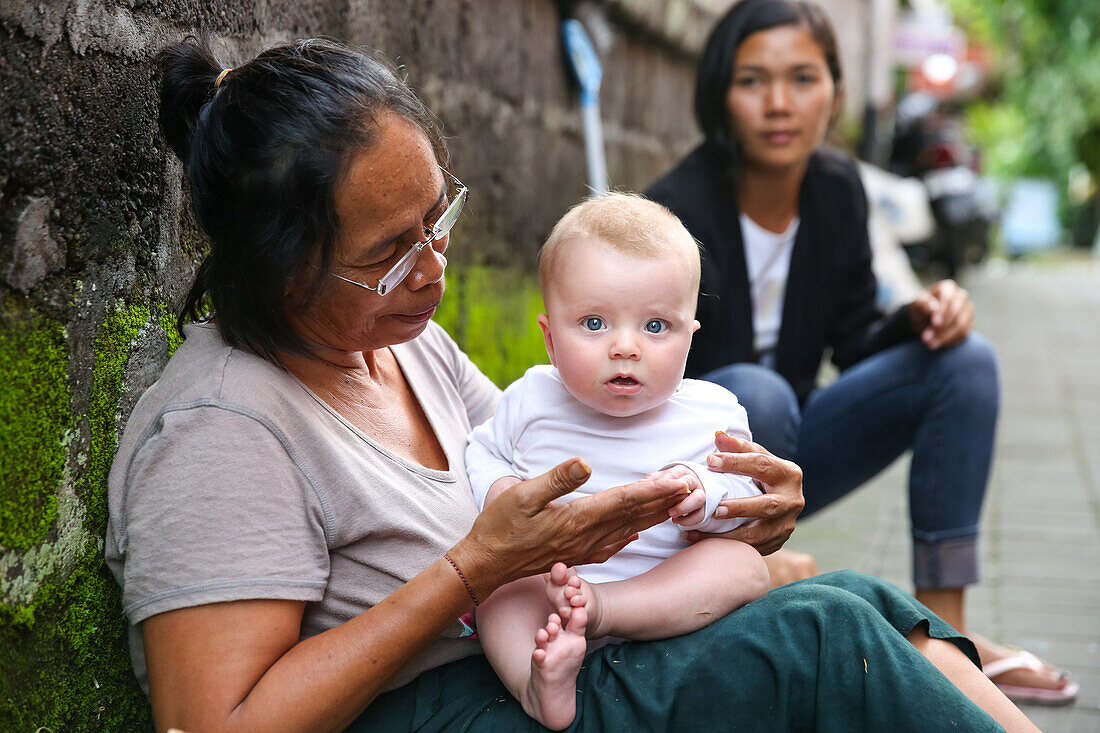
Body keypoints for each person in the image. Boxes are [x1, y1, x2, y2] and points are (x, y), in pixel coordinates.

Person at [103, 35, 1039, 732]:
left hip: (552, 663)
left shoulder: (395, 344)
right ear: (281, 268)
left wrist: (737, 509)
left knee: (854, 601)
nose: (433, 269)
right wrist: (473, 570)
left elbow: (554, 447)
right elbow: (212, 724)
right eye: (391, 253)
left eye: (438, 220)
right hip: (452, 710)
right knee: (824, 641)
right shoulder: (219, 431)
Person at [645, 0, 1076, 705]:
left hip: (793, 441)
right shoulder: (674, 210)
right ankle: (758, 625)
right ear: (719, 93)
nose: (779, 103)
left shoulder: (839, 192)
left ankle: (948, 643)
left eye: (803, 79)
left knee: (965, 362)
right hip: (692, 475)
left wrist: (918, 315)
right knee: (757, 393)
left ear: (835, 94)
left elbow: (854, 348)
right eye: (753, 81)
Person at [466, 193, 769, 729]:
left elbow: (750, 498)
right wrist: (503, 492)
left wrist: (705, 492)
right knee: (496, 585)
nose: (625, 347)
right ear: (549, 337)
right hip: (549, 589)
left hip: (662, 595)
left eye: (655, 327)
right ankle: (535, 682)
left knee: (742, 565)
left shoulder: (713, 413)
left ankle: (603, 607)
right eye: (594, 323)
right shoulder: (532, 397)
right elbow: (482, 450)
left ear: (689, 336)